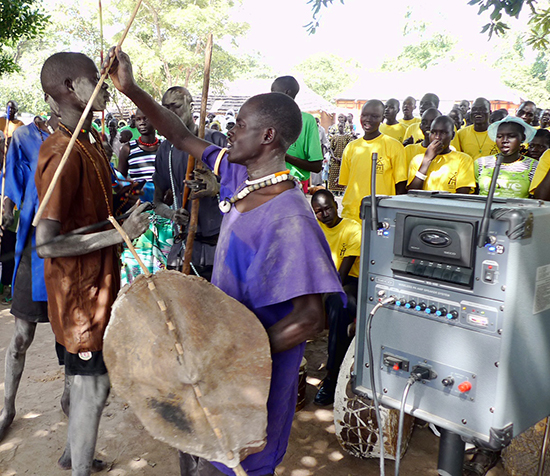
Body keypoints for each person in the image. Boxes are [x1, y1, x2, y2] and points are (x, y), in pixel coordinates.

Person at [105, 46, 344, 476]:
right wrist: (132, 89)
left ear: (267, 137)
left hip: (255, 381)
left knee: (242, 463)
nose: (229, 133)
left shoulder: (291, 218)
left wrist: (232, 358)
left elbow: (311, 320)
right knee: (210, 455)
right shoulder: (240, 176)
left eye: (239, 127)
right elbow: (179, 135)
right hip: (222, 368)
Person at [35, 51, 150, 476]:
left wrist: (130, 213)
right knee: (93, 387)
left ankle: (71, 456)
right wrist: (120, 233)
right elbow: (46, 244)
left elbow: (93, 215)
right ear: (69, 88)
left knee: (83, 383)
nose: (105, 85)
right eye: (95, 78)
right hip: (79, 297)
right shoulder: (60, 150)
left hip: (93, 288)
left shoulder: (87, 141)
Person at [0, 102, 59, 443]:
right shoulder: (23, 136)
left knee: (71, 340)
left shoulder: (84, 138)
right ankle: (8, 408)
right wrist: (7, 209)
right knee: (21, 337)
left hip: (69, 252)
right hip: (32, 248)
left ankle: (72, 406)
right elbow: (12, 184)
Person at [152, 85, 227, 279]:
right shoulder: (165, 150)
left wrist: (216, 188)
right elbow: (157, 203)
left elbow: (245, 190)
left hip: (219, 248)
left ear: (191, 106)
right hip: (184, 249)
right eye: (165, 107)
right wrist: (172, 214)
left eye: (175, 106)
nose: (170, 112)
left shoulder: (217, 140)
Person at [311, 189, 360, 406]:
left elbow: (340, 276)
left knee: (340, 304)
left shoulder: (352, 228)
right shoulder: (313, 230)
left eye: (328, 208)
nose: (325, 214)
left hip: (347, 280)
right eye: (319, 211)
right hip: (320, 279)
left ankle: (332, 377)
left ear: (336, 205)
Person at [339, 99, 408, 223]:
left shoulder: (394, 146)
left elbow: (401, 187)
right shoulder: (351, 147)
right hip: (352, 215)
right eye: (364, 115)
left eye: (374, 116)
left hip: (380, 215)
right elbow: (346, 183)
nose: (368, 119)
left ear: (382, 118)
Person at [271, 76, 323, 193]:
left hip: (293, 188)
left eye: (274, 92)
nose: (271, 96)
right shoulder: (266, 118)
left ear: (287, 93)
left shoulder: (307, 120)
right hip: (266, 186)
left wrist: (284, 156)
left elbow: (316, 166)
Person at [408, 115, 475, 194]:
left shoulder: (463, 159)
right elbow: (412, 192)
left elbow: (462, 195)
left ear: (452, 135)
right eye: (433, 132)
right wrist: (427, 161)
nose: (437, 137)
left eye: (443, 133)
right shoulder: (418, 159)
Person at [474, 116, 538, 197]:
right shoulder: (481, 163)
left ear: (522, 138)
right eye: (500, 136)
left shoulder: (533, 166)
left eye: (511, 136)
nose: (504, 141)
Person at [328, 122, 354, 194]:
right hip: (335, 160)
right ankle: (334, 191)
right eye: (339, 126)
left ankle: (342, 192)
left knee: (343, 175)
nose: (340, 128)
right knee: (333, 175)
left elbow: (351, 147)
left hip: (344, 160)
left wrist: (344, 158)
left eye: (342, 127)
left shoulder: (347, 137)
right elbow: (331, 148)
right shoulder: (334, 137)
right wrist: (334, 157)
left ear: (344, 127)